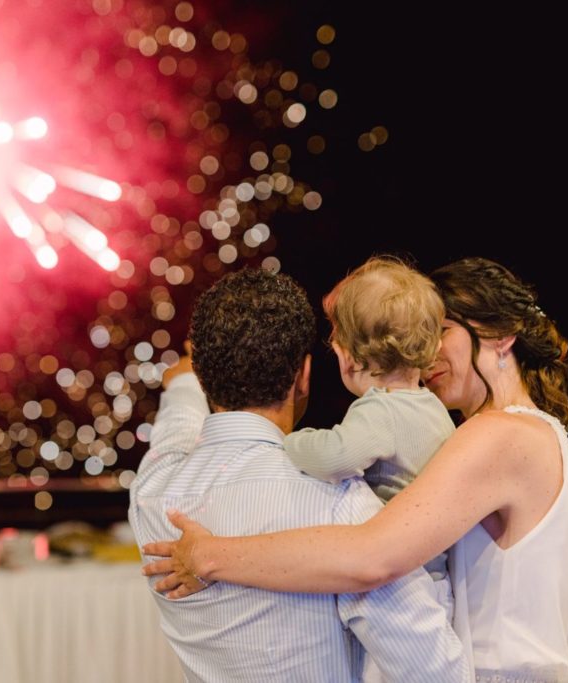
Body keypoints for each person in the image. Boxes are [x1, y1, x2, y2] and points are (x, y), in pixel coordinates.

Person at [143, 258, 568, 683]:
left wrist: (210, 556)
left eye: (442, 330)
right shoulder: (508, 433)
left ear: (502, 336)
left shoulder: (501, 435)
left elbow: (370, 557)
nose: (428, 350)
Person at [128, 268, 469, 682]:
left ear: (202, 378)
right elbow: (436, 671)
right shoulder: (340, 504)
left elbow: (176, 427)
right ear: (304, 374)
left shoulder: (153, 489)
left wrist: (182, 381)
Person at [282, 257, 454, 618]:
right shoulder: (432, 407)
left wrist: (288, 440)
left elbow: (335, 457)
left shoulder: (381, 409)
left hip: (401, 586)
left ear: (347, 357)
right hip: (434, 576)